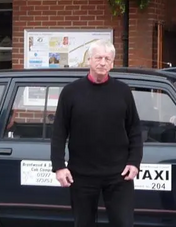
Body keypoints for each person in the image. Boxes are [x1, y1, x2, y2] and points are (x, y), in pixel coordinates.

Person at [51, 39, 143, 227]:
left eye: (107, 59)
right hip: (81, 175)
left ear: (112, 63)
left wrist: (134, 162)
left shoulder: (123, 91)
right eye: (98, 57)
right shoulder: (71, 92)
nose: (102, 62)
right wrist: (59, 166)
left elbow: (134, 129)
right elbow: (59, 131)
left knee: (124, 223)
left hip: (119, 175)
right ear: (89, 60)